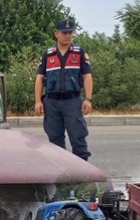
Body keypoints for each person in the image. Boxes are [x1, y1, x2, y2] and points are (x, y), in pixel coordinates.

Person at [34, 18, 93, 161]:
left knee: (78, 138)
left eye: (70, 32)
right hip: (52, 102)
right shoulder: (48, 54)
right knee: (55, 141)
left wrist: (88, 99)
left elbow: (87, 77)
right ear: (56, 34)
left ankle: (82, 175)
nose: (68, 35)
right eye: (64, 32)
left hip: (72, 101)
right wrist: (38, 101)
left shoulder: (79, 53)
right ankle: (61, 175)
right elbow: (39, 78)